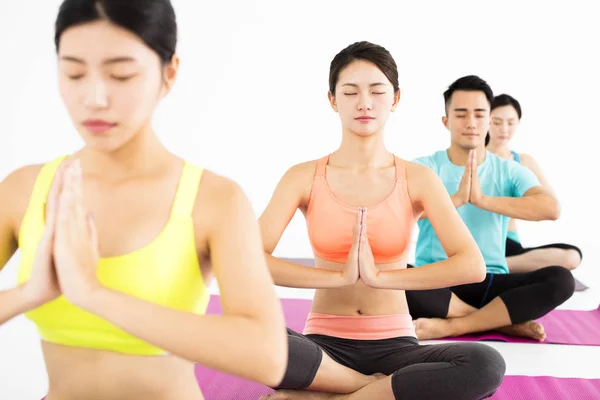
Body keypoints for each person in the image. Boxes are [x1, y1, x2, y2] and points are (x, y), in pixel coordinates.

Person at [0, 1, 287, 398]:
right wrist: (27, 294)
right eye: (74, 73)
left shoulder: (214, 201)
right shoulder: (23, 190)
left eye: (121, 74)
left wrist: (93, 294)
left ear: (168, 74)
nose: (95, 98)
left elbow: (266, 355)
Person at [258, 42, 505, 400]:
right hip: (322, 349)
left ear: (395, 99)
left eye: (377, 91)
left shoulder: (417, 178)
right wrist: (337, 277)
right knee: (249, 333)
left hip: (397, 347)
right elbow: (251, 258)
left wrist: (381, 278)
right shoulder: (302, 177)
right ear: (332, 100)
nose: (364, 103)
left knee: (486, 363)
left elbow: (471, 266)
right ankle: (367, 390)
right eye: (350, 91)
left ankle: (325, 395)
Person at [406, 76, 575, 342]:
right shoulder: (425, 167)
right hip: (436, 281)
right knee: (384, 273)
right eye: (461, 114)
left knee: (562, 280)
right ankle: (499, 322)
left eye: (479, 114)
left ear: (488, 121)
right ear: (446, 121)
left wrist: (483, 200)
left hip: (491, 278)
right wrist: (457, 199)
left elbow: (551, 208)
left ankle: (455, 325)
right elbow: (397, 213)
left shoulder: (507, 170)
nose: (471, 123)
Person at [485, 94, 582, 273]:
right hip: (479, 242)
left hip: (510, 247)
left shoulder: (523, 162)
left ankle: (490, 267)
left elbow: (551, 205)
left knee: (572, 256)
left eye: (510, 122)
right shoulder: (472, 159)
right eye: (496, 122)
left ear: (518, 123)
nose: (503, 129)